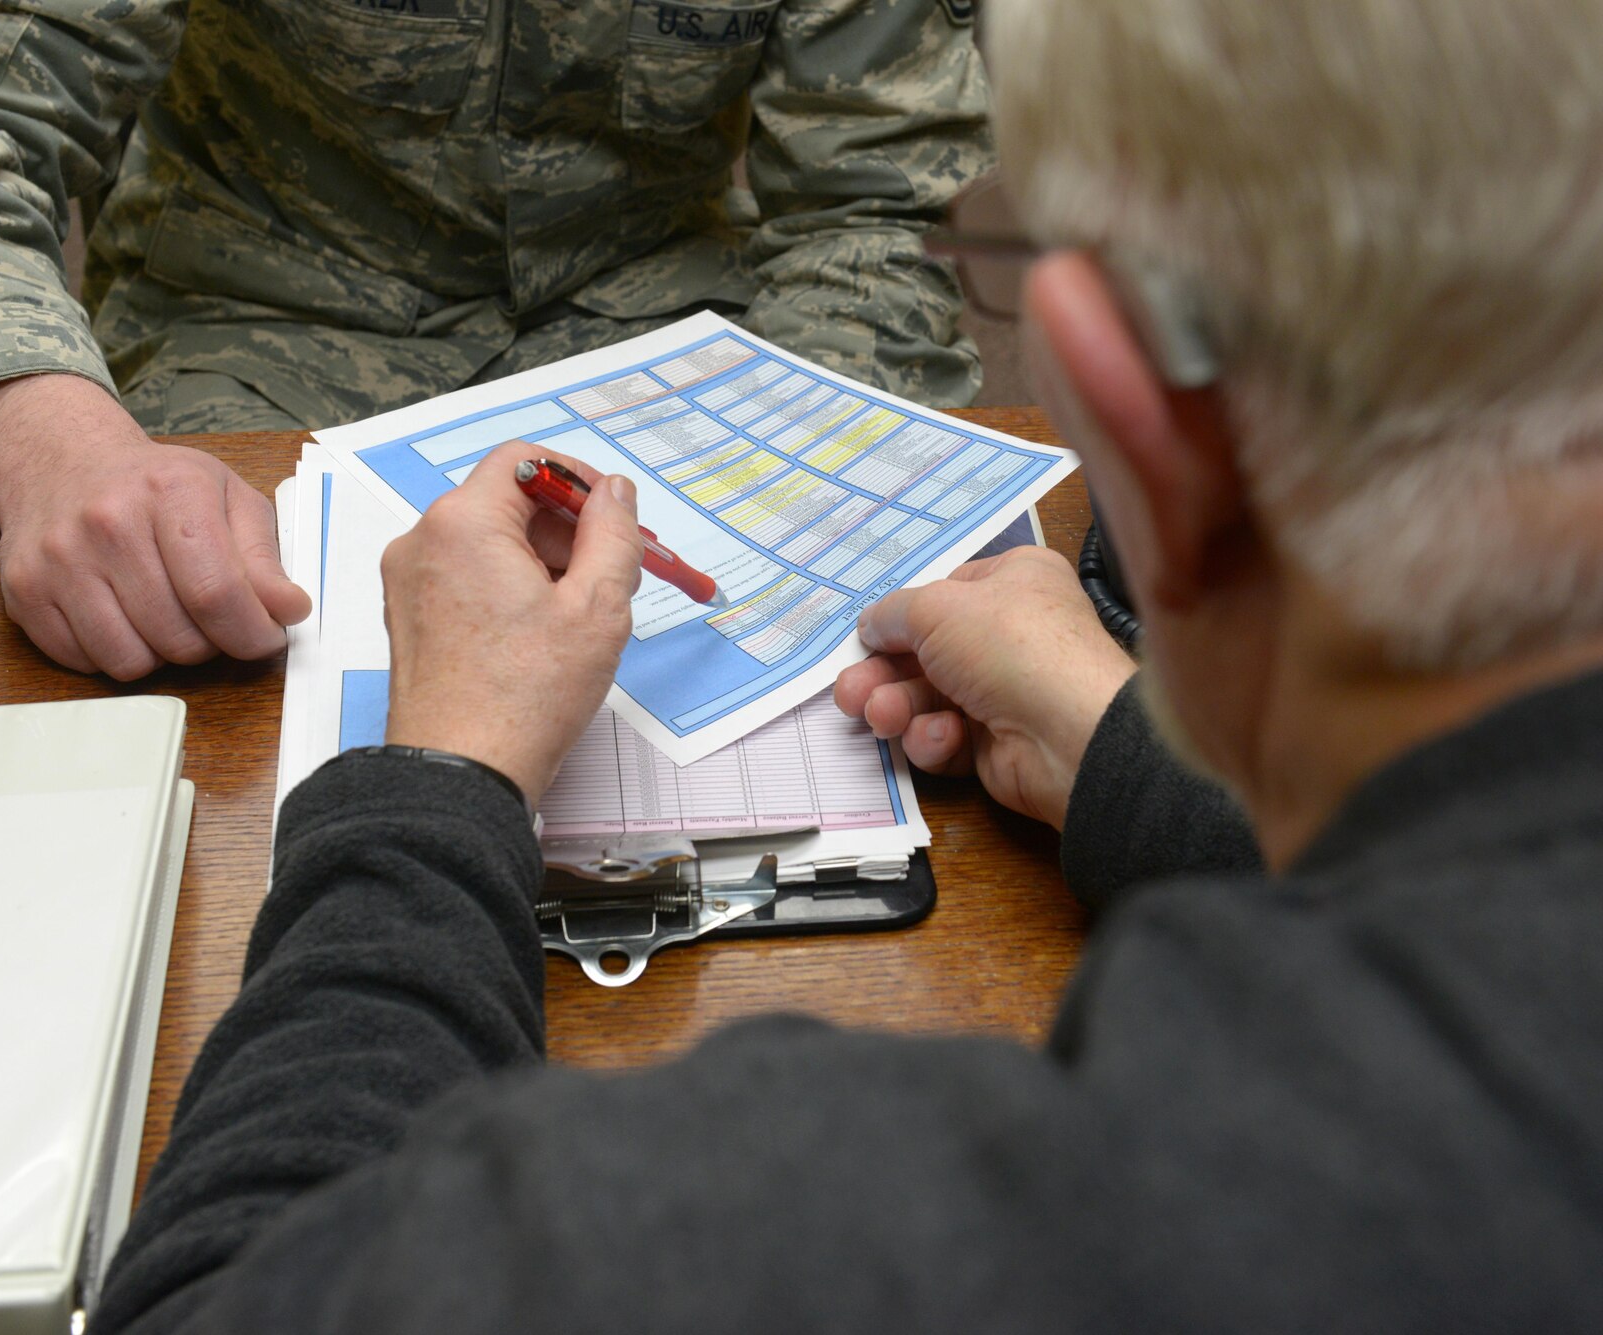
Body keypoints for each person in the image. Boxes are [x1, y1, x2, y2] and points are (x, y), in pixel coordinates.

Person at [94, 0, 1603, 1330]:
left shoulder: (899, 1224)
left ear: (1118, 407)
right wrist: (1124, 745)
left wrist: (441, 779)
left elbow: (235, 1285)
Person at [0, 1, 992, 681]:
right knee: (184, 678)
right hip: (259, 312)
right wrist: (50, 449)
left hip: (652, 322)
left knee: (816, 715)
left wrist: (819, 478)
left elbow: (870, 203)